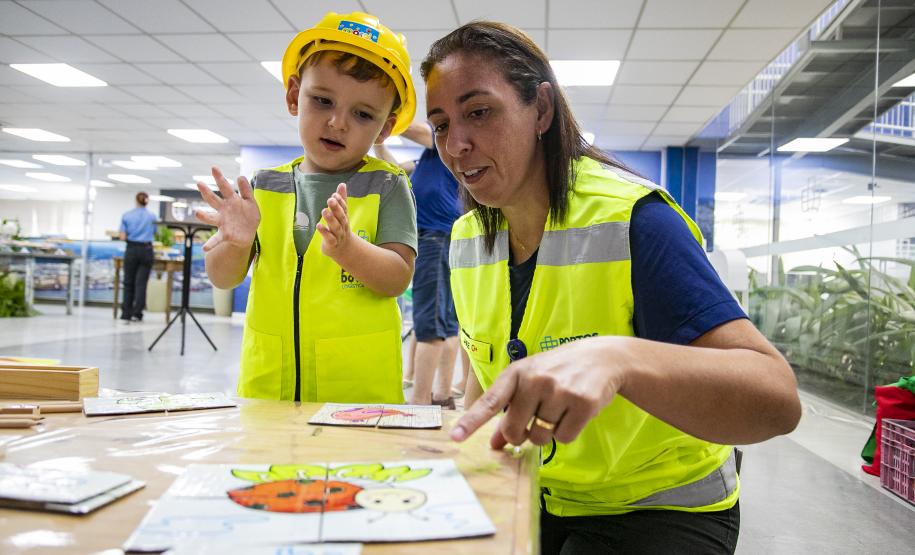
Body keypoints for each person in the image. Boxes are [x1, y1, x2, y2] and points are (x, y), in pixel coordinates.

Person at [421, 22, 802, 554]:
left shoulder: (636, 220)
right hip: (540, 494)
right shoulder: (466, 239)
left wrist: (619, 359)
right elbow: (482, 384)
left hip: (657, 507)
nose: (456, 144)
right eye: (440, 125)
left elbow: (778, 400)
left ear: (542, 110)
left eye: (479, 112)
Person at [195, 11, 417, 404]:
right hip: (269, 388)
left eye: (363, 114)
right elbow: (223, 277)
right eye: (323, 100)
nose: (337, 122)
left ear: (384, 127)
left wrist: (348, 250)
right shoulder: (264, 187)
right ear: (294, 96)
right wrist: (235, 243)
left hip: (357, 395)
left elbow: (397, 278)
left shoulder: (387, 185)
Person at [374, 122, 462, 409]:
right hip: (434, 238)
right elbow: (394, 169)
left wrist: (388, 118)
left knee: (429, 322)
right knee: (445, 322)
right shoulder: (424, 161)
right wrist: (378, 141)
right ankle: (442, 395)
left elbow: (420, 131)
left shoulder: (443, 145)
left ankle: (421, 401)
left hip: (436, 236)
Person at [118, 191, 157, 322]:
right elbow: (155, 233)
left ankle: (126, 314)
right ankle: (137, 313)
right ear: (147, 201)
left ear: (136, 200)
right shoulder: (152, 216)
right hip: (147, 250)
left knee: (128, 282)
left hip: (131, 249)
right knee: (141, 283)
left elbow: (122, 236)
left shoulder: (127, 215)